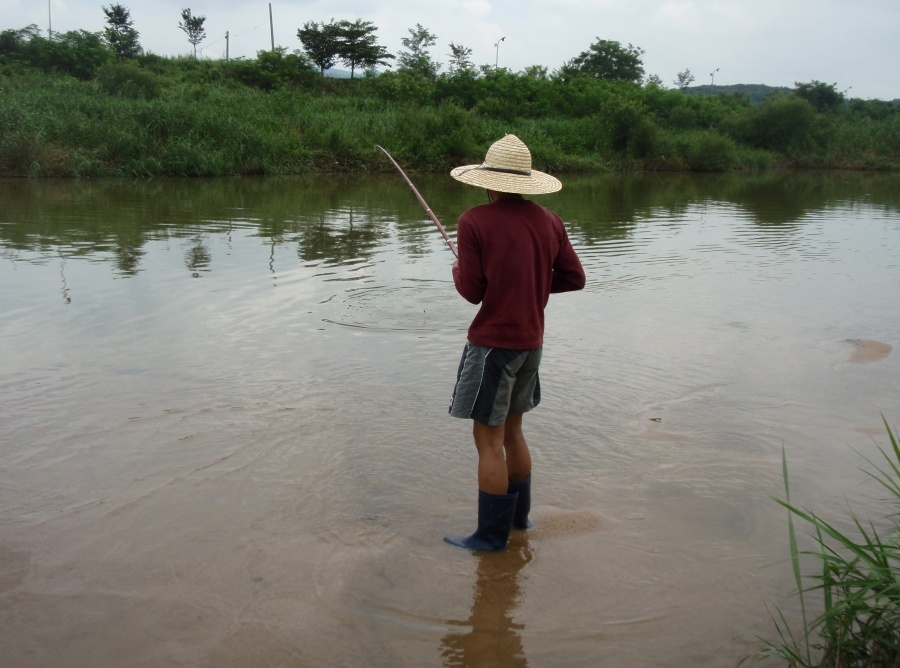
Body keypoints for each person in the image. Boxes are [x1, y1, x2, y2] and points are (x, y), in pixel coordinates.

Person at [444, 134, 585, 552]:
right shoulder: (550, 220)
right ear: (526, 183)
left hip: (492, 347)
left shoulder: (474, 221)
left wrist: (457, 270)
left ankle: (490, 537)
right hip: (531, 344)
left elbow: (471, 291)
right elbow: (574, 278)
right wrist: (533, 284)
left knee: (488, 442)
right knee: (513, 433)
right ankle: (519, 520)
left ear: (488, 182)